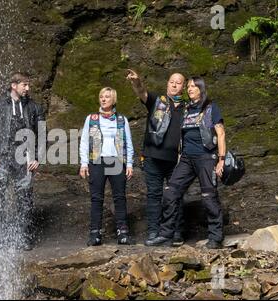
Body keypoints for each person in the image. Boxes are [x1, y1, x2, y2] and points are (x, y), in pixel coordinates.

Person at [146, 77, 226, 249]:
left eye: (193, 86)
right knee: (170, 193)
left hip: (206, 158)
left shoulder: (211, 107)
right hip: (186, 159)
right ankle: (166, 234)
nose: (189, 89)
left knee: (209, 197)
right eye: (188, 86)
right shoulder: (186, 109)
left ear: (201, 89)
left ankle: (216, 237)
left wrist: (221, 159)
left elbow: (221, 134)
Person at [0, 72, 45, 251]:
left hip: (23, 158)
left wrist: (37, 157)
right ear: (14, 85)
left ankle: (24, 237)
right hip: (0, 157)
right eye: (24, 85)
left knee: (24, 199)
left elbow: (42, 133)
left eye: (28, 85)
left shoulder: (34, 107)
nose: (28, 88)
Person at [126, 69, 186, 246]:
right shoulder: (157, 101)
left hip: (176, 161)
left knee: (176, 195)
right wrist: (136, 81)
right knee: (154, 195)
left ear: (183, 87)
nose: (174, 84)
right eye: (171, 81)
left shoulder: (188, 108)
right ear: (167, 83)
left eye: (178, 82)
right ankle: (153, 231)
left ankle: (176, 232)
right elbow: (141, 92)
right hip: (152, 157)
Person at [79, 87, 134, 246]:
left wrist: (129, 163)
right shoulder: (91, 118)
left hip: (116, 161)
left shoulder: (122, 120)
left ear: (113, 100)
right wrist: (84, 163)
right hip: (97, 160)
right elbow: (84, 142)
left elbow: (128, 143)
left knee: (119, 197)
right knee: (97, 198)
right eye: (101, 96)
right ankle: (95, 233)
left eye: (107, 97)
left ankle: (122, 232)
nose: (103, 99)